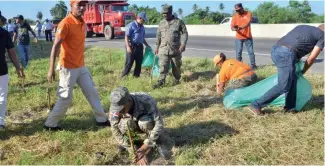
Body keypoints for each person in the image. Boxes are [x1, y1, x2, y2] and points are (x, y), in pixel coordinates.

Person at [44, 0, 110, 130]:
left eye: (84, 5)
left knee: (92, 92)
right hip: (67, 67)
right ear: (71, 6)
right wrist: (51, 69)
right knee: (65, 98)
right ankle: (50, 124)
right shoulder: (66, 23)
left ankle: (101, 119)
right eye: (78, 5)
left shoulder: (81, 22)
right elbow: (55, 46)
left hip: (81, 66)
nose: (82, 8)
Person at [249, 24, 324, 115]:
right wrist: (303, 70)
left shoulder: (302, 26)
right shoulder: (322, 35)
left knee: (293, 79)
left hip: (276, 49)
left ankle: (290, 108)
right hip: (287, 54)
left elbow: (295, 41)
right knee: (283, 85)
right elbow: (312, 58)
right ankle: (256, 105)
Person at [109, 87, 171, 165]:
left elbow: (159, 123)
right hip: (130, 125)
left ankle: (157, 141)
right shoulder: (115, 108)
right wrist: (133, 150)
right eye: (117, 109)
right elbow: (115, 129)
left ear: (128, 101)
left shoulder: (146, 100)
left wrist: (146, 146)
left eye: (121, 109)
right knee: (125, 124)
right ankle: (133, 142)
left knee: (145, 122)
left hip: (145, 123)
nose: (119, 112)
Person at [0, 11, 25, 131]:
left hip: (1, 71)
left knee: (2, 99)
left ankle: (0, 122)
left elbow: (11, 52)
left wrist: (18, 67)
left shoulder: (4, 34)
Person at [153, 5, 188, 89]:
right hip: (163, 49)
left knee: (176, 67)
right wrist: (156, 47)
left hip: (175, 49)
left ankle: (176, 80)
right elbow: (158, 36)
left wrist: (183, 44)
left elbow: (184, 33)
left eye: (166, 13)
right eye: (163, 13)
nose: (164, 15)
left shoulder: (178, 22)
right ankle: (161, 82)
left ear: (170, 12)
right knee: (163, 66)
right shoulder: (161, 23)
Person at [121, 12, 150, 78]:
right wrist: (128, 47)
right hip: (132, 46)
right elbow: (126, 37)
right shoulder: (131, 25)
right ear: (139, 18)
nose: (144, 22)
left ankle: (136, 77)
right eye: (143, 20)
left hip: (139, 47)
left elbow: (142, 38)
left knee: (139, 63)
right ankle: (123, 76)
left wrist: (147, 45)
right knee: (129, 62)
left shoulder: (142, 27)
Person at [230, 3, 256, 69]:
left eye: (238, 10)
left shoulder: (248, 13)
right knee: (238, 53)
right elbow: (232, 27)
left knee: (250, 52)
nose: (237, 11)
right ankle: (239, 66)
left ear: (242, 8)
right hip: (238, 38)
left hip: (248, 37)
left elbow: (247, 23)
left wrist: (241, 28)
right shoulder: (234, 17)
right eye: (236, 10)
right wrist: (235, 29)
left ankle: (253, 66)